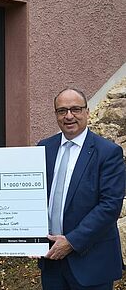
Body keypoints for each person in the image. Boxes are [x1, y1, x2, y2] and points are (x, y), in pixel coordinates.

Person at [38, 88, 126, 289]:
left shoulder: (108, 152)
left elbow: (109, 206)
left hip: (91, 262)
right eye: (62, 111)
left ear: (86, 112)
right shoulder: (44, 148)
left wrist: (71, 241)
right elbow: (34, 197)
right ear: (56, 115)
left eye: (75, 109)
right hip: (52, 262)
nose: (69, 116)